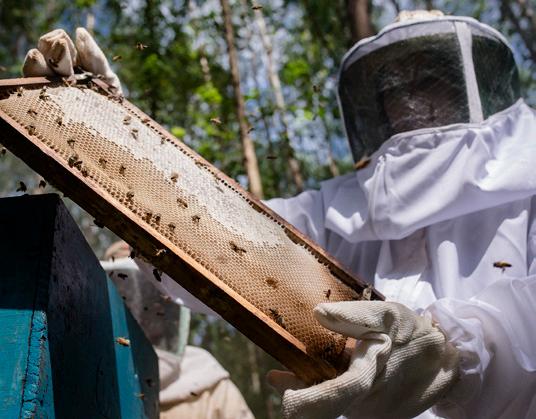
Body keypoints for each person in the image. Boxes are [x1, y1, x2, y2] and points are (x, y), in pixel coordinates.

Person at [23, 9, 536, 418]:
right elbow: (225, 238)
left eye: (427, 79)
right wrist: (120, 146)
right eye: (391, 87)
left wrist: (457, 353)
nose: (406, 99)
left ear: (467, 79)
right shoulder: (342, 207)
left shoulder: (526, 179)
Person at [102, 241, 254, 419]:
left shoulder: (208, 380)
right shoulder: (97, 372)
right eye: (126, 297)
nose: (141, 310)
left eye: (152, 298)